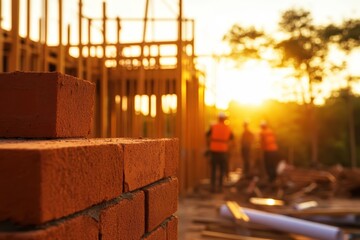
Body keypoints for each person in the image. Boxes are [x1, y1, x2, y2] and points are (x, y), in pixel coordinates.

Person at [206, 112, 234, 193]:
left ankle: (212, 187)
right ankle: (220, 187)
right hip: (223, 151)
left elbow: (207, 135)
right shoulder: (228, 127)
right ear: (225, 118)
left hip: (214, 150)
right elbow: (232, 138)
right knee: (222, 169)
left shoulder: (213, 126)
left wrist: (209, 145)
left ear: (218, 118)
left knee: (213, 169)